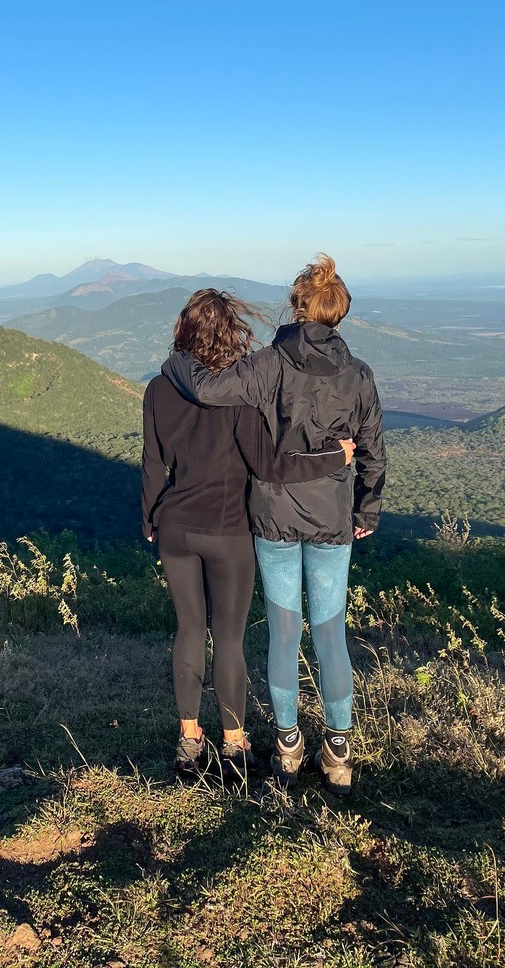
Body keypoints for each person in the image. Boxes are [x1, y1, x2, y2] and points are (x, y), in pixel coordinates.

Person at [162, 255, 385, 794]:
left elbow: (211, 390)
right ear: (340, 314)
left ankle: (287, 744)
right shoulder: (358, 375)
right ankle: (337, 747)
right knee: (331, 634)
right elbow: (373, 449)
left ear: (297, 305)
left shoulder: (268, 364)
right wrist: (366, 509)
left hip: (273, 515)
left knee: (284, 632)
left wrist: (176, 363)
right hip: (332, 517)